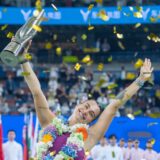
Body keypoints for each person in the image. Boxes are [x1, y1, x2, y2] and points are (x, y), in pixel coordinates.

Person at [20, 41, 153, 159]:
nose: (86, 112)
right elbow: (36, 92)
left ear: (90, 121)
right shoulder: (50, 122)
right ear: (79, 103)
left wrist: (140, 80)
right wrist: (23, 60)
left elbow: (113, 106)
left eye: (91, 114)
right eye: (87, 106)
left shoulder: (90, 136)